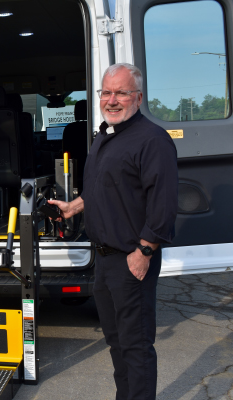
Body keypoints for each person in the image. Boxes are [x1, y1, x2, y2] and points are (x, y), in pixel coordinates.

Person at [49, 63, 178, 400]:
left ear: (137, 97)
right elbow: (99, 188)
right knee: (116, 341)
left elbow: (163, 205)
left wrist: (145, 251)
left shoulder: (152, 140)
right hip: (103, 260)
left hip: (131, 258)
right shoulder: (104, 136)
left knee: (135, 346)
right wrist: (75, 206)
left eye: (121, 92)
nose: (112, 100)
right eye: (106, 92)